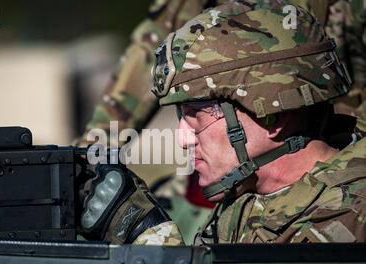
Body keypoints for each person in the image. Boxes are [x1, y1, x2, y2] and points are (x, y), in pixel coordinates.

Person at [75, 0, 366, 244]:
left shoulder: (350, 212)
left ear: (272, 115)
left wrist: (145, 234)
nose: (183, 139)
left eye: (197, 116)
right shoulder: (244, 196)